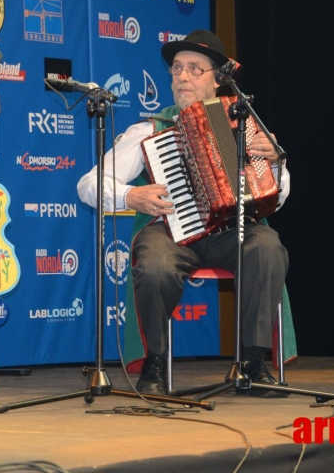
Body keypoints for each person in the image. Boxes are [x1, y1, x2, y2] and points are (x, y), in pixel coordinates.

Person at [77, 29, 290, 395]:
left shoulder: (244, 125)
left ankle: (252, 362)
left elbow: (280, 193)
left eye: (195, 69)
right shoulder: (151, 129)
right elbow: (89, 184)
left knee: (267, 245)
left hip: (229, 231)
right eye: (177, 68)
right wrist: (132, 195)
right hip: (171, 232)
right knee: (155, 263)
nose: (183, 76)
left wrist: (273, 167)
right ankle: (155, 365)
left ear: (219, 79)